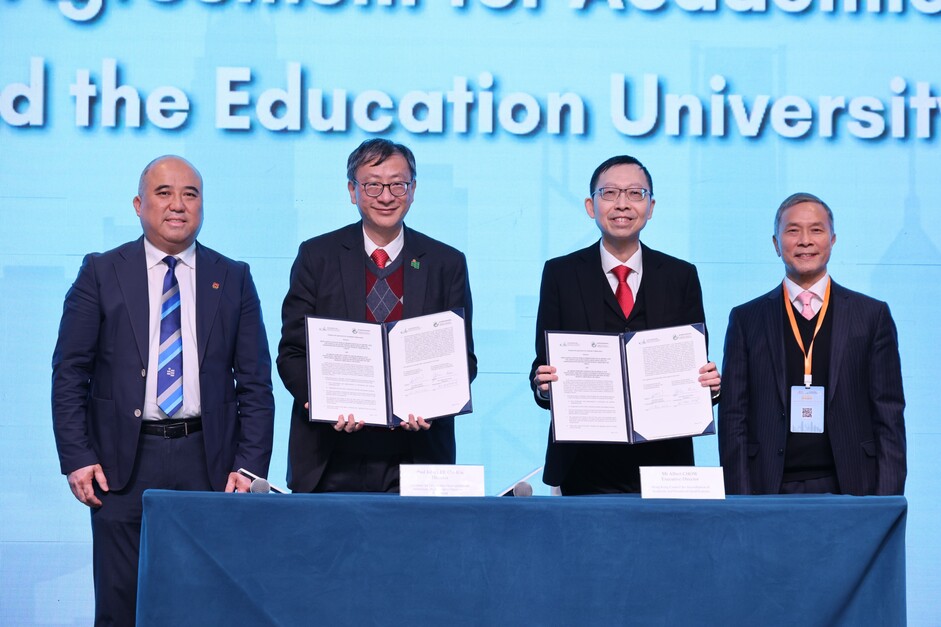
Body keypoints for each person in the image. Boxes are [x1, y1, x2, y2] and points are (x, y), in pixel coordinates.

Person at [51, 155, 275, 626]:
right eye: (164, 192)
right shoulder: (101, 272)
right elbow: (70, 371)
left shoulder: (232, 276)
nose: (178, 205)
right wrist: (76, 456)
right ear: (138, 204)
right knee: (121, 605)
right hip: (121, 465)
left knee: (210, 604)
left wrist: (250, 466)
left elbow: (254, 381)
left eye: (190, 194)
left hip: (210, 462)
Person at [278, 138, 477, 493]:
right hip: (331, 456)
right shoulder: (316, 256)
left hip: (419, 457)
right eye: (372, 185)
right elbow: (293, 353)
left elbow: (464, 359)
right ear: (353, 191)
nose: (386, 196)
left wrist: (435, 402)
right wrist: (321, 401)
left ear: (413, 189)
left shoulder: (447, 262)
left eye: (397, 184)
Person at [530, 155, 721, 495]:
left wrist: (711, 386)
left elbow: (695, 367)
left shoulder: (681, 276)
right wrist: (543, 385)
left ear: (651, 206)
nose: (622, 204)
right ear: (591, 206)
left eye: (635, 193)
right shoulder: (560, 274)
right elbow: (542, 364)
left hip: (664, 462)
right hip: (582, 463)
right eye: (609, 193)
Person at [718, 192, 905, 495]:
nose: (805, 240)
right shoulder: (746, 319)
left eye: (816, 230)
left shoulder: (871, 315)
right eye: (793, 230)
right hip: (769, 487)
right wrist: (741, 500)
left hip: (853, 486)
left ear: (832, 240)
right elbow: (733, 417)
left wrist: (886, 502)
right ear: (777, 244)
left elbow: (889, 415)